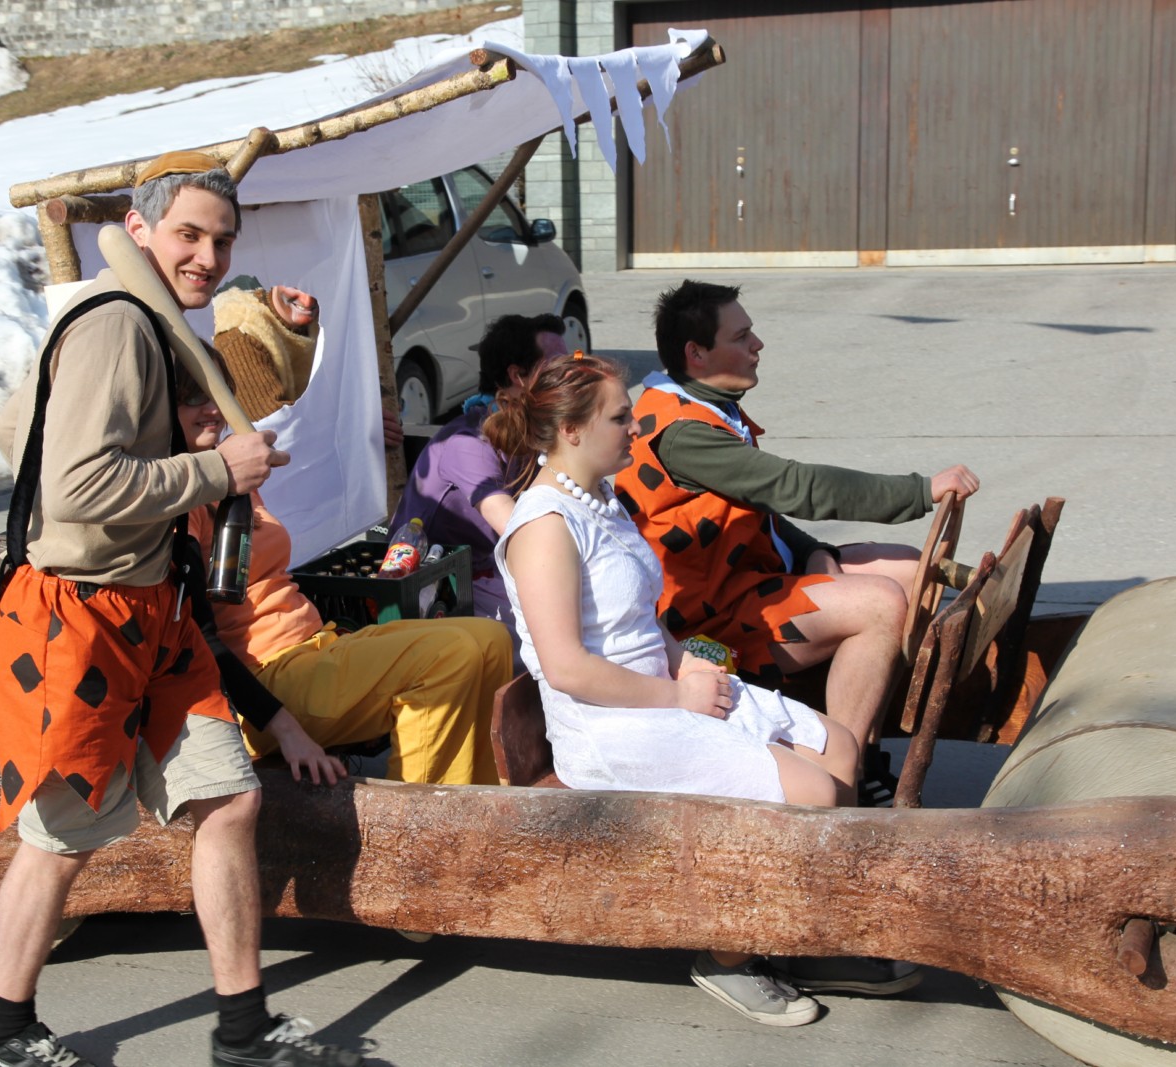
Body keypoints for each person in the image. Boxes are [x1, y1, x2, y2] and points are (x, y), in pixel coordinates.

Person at [0, 151, 358, 1067]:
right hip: (77, 619)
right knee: (62, 837)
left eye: (222, 240)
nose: (208, 257)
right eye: (188, 235)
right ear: (140, 230)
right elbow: (74, 486)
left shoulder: (149, 321)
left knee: (227, 798)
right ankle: (3, 1027)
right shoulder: (116, 322)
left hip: (157, 610)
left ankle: (243, 1028)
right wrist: (213, 470)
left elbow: (16, 429)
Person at [487, 354, 917, 1028]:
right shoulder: (543, 526)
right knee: (810, 792)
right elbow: (566, 667)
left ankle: (805, 937)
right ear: (571, 431)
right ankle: (727, 957)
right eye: (621, 418)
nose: (636, 429)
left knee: (837, 747)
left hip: (659, 692)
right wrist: (678, 697)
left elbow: (642, 623)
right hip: (608, 727)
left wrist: (692, 663)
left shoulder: (600, 498)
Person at [618, 280, 980, 797]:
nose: (757, 344)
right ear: (696, 354)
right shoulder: (682, 432)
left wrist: (814, 552)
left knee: (908, 570)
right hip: (707, 621)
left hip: (745, 580)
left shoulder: (703, 404)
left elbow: (756, 508)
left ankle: (864, 747)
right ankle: (843, 776)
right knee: (881, 603)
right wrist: (920, 491)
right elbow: (794, 487)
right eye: (741, 336)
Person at [177, 340, 513, 788]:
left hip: (312, 646)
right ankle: (417, 821)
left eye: (219, 394)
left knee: (490, 639)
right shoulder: (182, 499)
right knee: (452, 656)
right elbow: (198, 639)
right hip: (261, 685)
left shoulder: (233, 471)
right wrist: (285, 728)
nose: (213, 409)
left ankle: (472, 806)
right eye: (193, 396)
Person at [389, 313, 569, 642]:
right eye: (558, 367)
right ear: (518, 376)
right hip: (439, 591)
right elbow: (518, 528)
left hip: (487, 576)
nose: (571, 375)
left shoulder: (531, 433)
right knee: (557, 633)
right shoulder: (468, 442)